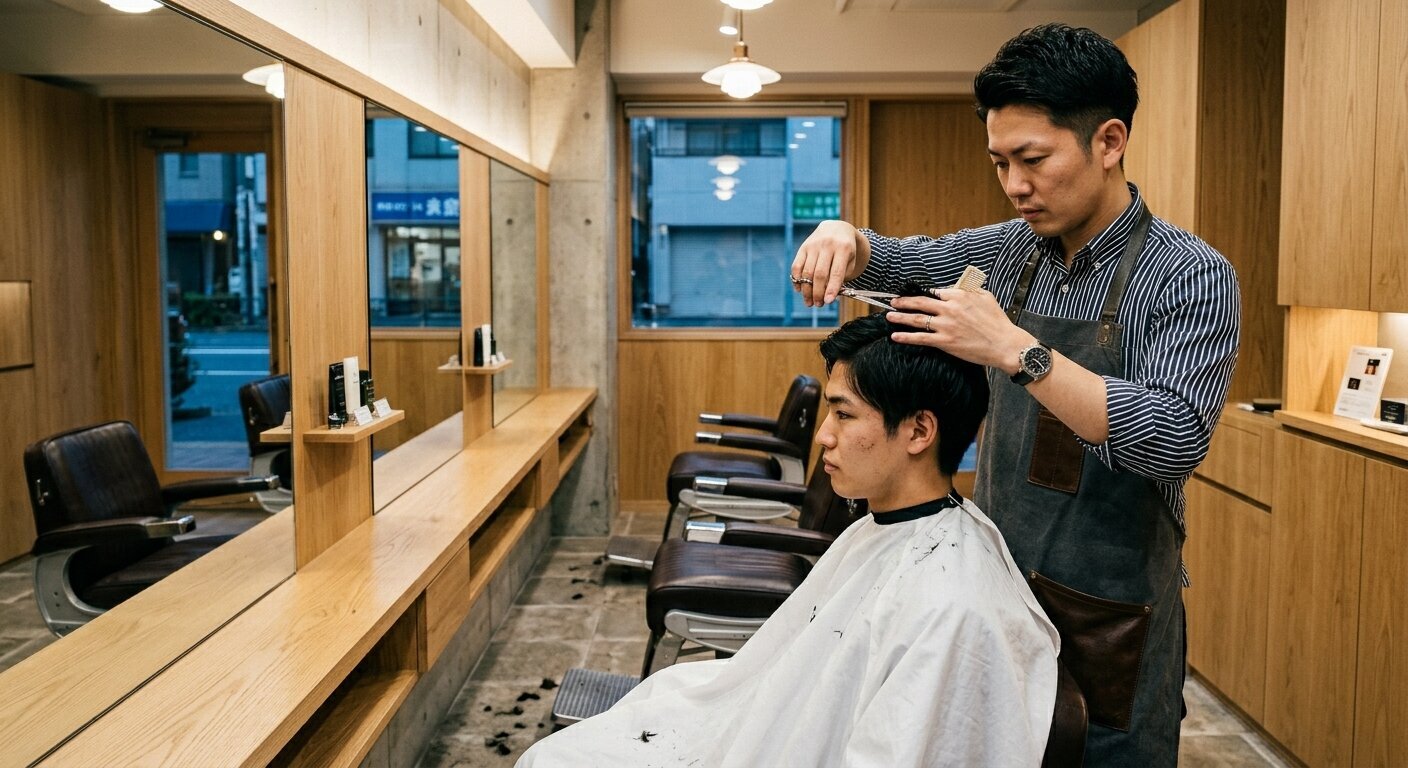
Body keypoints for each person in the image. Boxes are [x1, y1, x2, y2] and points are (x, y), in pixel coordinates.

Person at [791, 23, 1241, 766]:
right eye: (1000, 163)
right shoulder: (1010, 251)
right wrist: (848, 238)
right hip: (994, 581)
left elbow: (1173, 438)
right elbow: (900, 262)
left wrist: (1018, 352)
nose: (1015, 185)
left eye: (1033, 160)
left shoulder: (1188, 274)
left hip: (1108, 611)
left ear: (1109, 142)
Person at [519, 308, 1060, 768]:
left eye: (843, 414)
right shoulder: (885, 527)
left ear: (919, 431)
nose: (824, 435)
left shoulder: (952, 609)